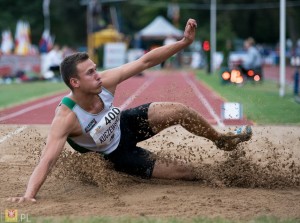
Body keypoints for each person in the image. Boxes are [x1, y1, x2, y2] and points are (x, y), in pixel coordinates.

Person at [8, 19, 252, 203]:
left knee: (179, 111)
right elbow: (47, 160)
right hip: (115, 154)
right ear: (75, 83)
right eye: (90, 72)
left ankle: (222, 140)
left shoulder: (104, 81)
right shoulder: (66, 117)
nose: (98, 74)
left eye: (95, 68)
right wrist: (29, 195)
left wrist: (184, 43)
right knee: (184, 171)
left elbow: (145, 61)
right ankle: (222, 174)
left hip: (125, 124)